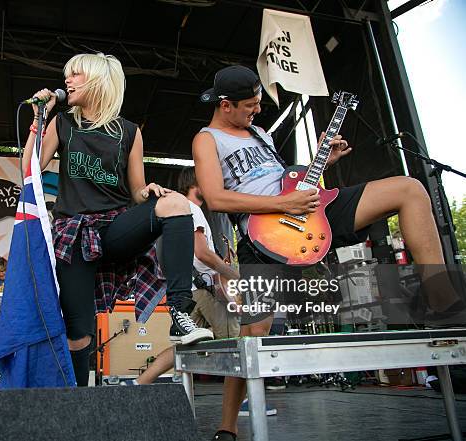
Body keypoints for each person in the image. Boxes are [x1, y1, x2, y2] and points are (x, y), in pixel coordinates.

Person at [192, 65, 459, 441]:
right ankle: (227, 428)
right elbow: (216, 198)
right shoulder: (207, 139)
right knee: (253, 332)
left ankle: (440, 296)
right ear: (225, 105)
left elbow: (288, 180)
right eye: (250, 105)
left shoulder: (259, 133)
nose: (256, 111)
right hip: (262, 232)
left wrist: (322, 164)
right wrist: (283, 204)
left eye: (257, 104)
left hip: (307, 211)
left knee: (410, 189)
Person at [23, 53, 211, 387]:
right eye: (67, 75)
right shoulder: (63, 122)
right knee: (78, 332)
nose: (68, 80)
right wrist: (41, 116)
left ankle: (179, 312)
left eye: (76, 74)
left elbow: (136, 190)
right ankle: (78, 402)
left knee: (177, 204)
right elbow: (30, 169)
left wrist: (148, 190)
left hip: (115, 228)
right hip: (75, 234)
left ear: (98, 80)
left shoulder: (129, 131)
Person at [125, 166, 241, 386]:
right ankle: (240, 401)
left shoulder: (174, 209)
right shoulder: (191, 210)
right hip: (206, 291)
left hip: (189, 291)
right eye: (207, 181)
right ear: (195, 183)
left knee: (184, 345)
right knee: (233, 343)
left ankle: (139, 383)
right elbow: (202, 253)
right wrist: (232, 274)